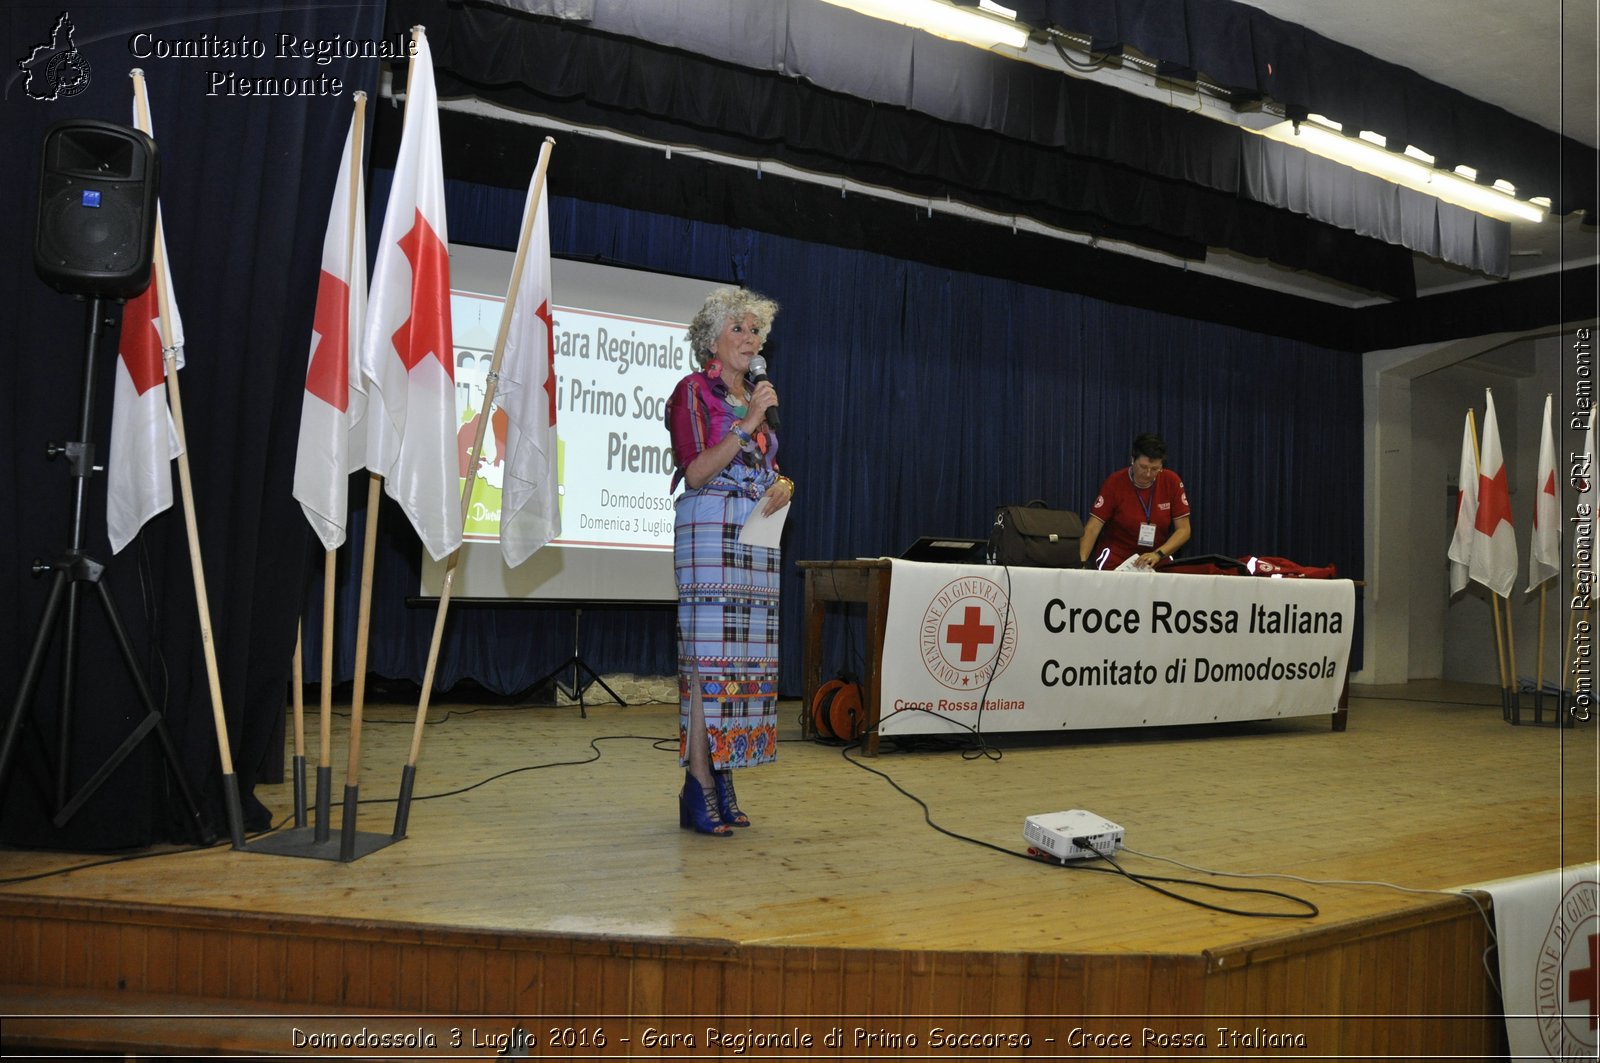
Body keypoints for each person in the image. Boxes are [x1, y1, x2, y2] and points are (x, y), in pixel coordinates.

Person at [664, 287, 794, 835]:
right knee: (707, 669)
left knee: (744, 670)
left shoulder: (757, 399)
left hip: (755, 545)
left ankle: (724, 772)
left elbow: (769, 469)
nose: (750, 337)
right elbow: (695, 473)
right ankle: (698, 784)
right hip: (709, 540)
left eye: (755, 329)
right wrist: (747, 425)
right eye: (738, 328)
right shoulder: (693, 392)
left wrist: (784, 483)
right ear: (712, 339)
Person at [1079, 432, 1191, 571]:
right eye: (1143, 467)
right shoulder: (1115, 482)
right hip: (1118, 556)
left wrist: (1159, 554)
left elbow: (1184, 529)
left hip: (1157, 556)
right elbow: (1093, 527)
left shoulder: (1172, 481)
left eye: (1155, 469)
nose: (1148, 473)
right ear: (1133, 460)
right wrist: (1081, 564)